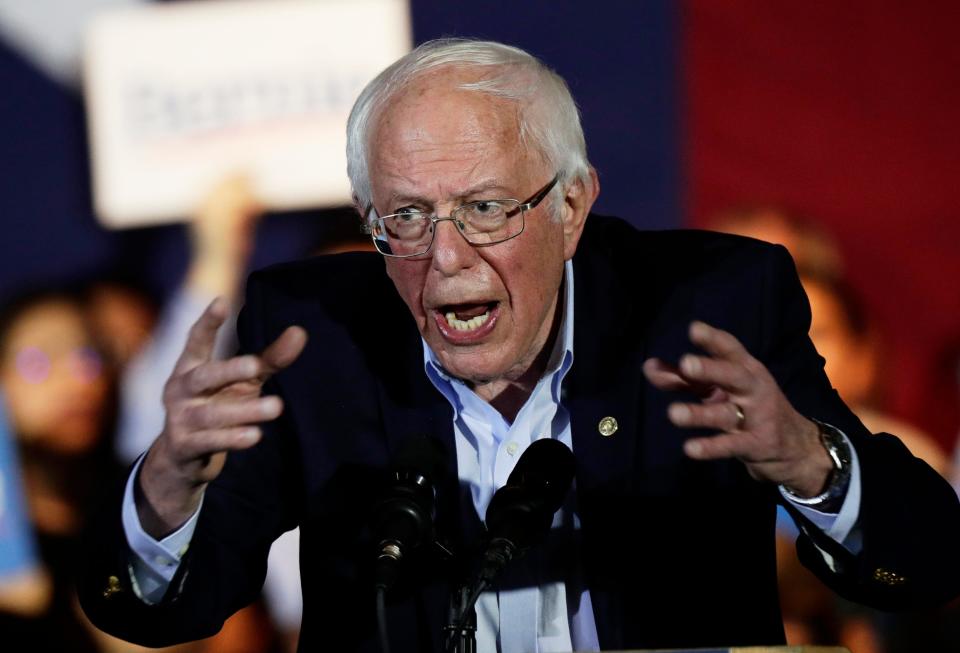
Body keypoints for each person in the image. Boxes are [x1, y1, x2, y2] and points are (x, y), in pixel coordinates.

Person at [78, 39, 960, 652]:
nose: (446, 256)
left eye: (487, 208)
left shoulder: (711, 306)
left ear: (571, 207)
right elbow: (165, 614)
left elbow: (928, 561)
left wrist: (810, 462)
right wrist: (165, 488)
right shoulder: (316, 335)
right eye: (408, 217)